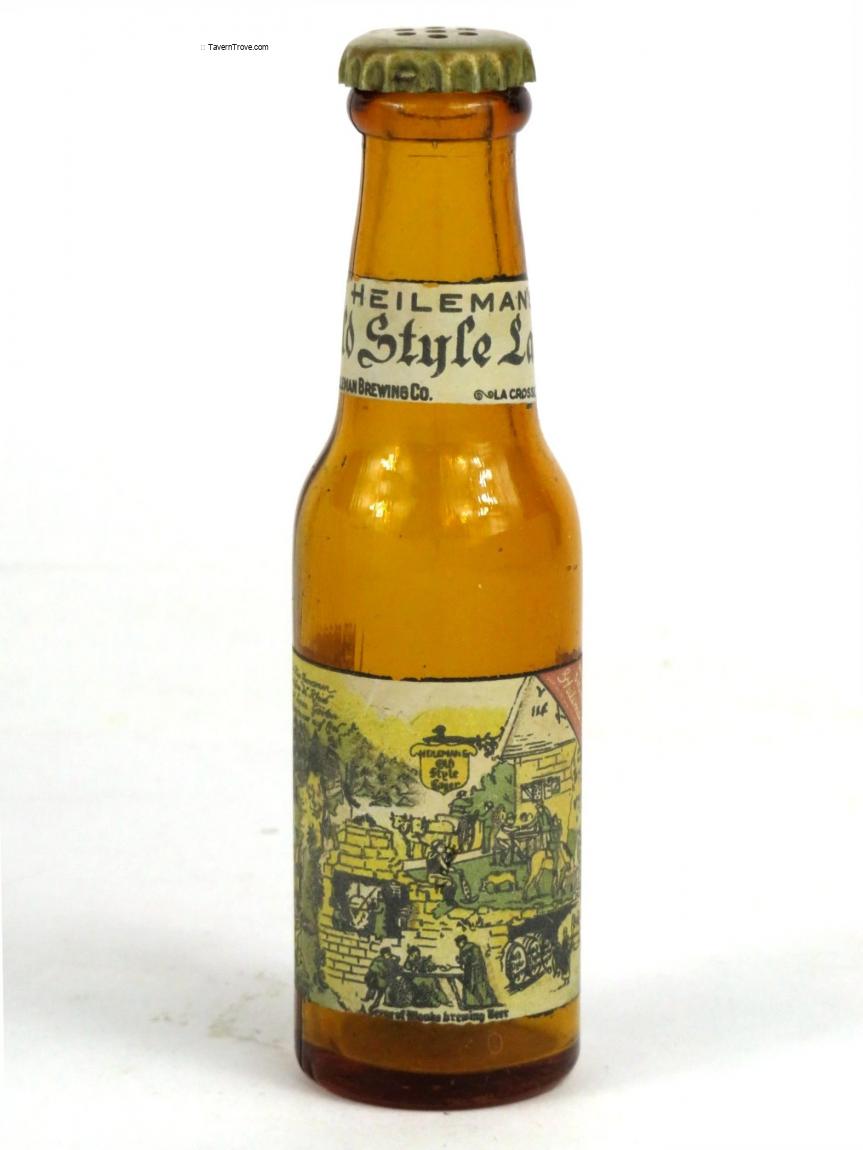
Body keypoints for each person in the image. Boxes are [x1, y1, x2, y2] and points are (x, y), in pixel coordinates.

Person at [454, 934, 498, 1007]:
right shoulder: (473, 946)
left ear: (462, 941)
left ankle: (473, 1003)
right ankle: (486, 1002)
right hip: (478, 969)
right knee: (480, 985)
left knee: (473, 986)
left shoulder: (466, 948)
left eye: (458, 943)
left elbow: (467, 960)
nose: (457, 945)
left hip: (473, 971)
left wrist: (459, 960)